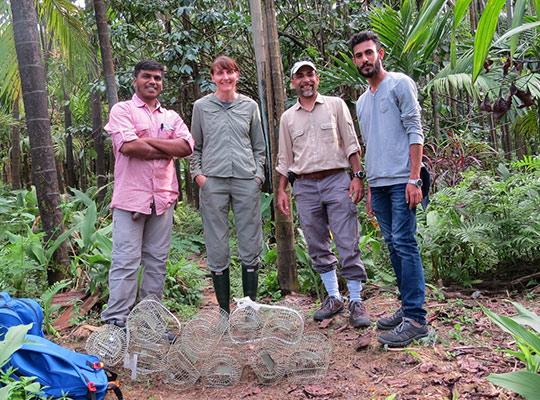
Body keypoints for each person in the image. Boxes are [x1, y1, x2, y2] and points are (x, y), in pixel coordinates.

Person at [276, 60, 370, 328]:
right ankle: (333, 297)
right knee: (316, 242)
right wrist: (282, 189)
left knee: (346, 239)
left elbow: (351, 143)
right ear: (293, 82)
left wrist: (357, 177)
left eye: (310, 75)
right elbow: (285, 157)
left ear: (317, 78)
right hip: (304, 185)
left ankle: (355, 300)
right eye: (300, 77)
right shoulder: (288, 118)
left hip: (336, 180)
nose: (306, 80)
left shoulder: (335, 105)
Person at [351, 31, 429, 347]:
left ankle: (416, 320)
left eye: (369, 53)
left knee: (404, 242)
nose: (365, 59)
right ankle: (407, 307)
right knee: (393, 244)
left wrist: (414, 178)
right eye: (358, 55)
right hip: (380, 184)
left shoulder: (399, 84)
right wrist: (370, 187)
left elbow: (415, 130)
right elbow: (371, 146)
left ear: (380, 53)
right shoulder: (361, 101)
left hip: (402, 180)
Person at [101, 60, 194, 327]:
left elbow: (186, 147)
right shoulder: (123, 110)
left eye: (157, 78)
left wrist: (149, 142)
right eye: (147, 77)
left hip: (163, 199)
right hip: (131, 199)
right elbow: (129, 147)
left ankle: (149, 321)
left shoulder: (171, 116)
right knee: (125, 262)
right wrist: (166, 147)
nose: (153, 82)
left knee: (156, 263)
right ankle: (116, 322)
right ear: (135, 80)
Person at [190, 55, 265, 314]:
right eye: (220, 74)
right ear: (212, 78)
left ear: (237, 75)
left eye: (230, 73)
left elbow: (259, 146)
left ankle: (249, 309)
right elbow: (194, 146)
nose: (225, 78)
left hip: (246, 179)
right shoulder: (201, 107)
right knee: (217, 243)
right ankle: (224, 311)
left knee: (250, 241)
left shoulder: (250, 106)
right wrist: (198, 175)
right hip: (213, 181)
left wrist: (258, 176)